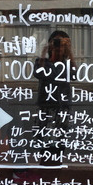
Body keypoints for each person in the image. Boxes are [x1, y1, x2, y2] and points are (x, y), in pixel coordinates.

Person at [33, 30, 75, 166]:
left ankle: (56, 171)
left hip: (62, 108)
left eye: (61, 43)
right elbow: (38, 73)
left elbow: (74, 75)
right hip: (45, 108)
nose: (58, 46)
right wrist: (44, 52)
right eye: (56, 42)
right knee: (44, 145)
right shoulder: (42, 62)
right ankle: (45, 172)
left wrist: (69, 52)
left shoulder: (67, 63)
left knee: (60, 144)